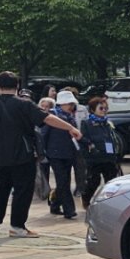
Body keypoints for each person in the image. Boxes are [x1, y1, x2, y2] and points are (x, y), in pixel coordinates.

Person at [0, 72, 80, 237]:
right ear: (17, 86)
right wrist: (70, 128)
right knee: (22, 191)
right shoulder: (24, 104)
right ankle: (17, 226)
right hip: (23, 155)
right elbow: (47, 118)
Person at [42, 91, 82, 220]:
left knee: (64, 181)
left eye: (72, 104)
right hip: (55, 154)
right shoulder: (52, 116)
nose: (71, 106)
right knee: (63, 181)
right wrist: (42, 151)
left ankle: (55, 204)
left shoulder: (70, 117)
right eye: (69, 103)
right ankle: (69, 210)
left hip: (69, 153)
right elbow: (44, 134)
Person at [78, 96, 122, 209]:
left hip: (109, 156)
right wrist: (90, 146)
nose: (104, 110)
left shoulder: (107, 123)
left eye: (105, 108)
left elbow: (113, 138)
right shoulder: (86, 123)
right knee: (94, 181)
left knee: (111, 181)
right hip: (94, 158)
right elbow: (82, 138)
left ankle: (110, 202)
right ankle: (86, 198)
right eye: (101, 108)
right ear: (93, 109)